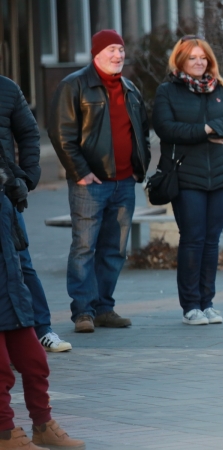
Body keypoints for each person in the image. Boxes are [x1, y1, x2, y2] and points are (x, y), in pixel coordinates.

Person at [48, 29, 151, 333]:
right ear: (96, 53)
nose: (118, 55)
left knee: (114, 249)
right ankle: (83, 311)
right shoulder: (74, 85)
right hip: (90, 185)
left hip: (124, 184)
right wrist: (80, 171)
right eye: (111, 50)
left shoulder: (130, 88)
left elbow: (142, 132)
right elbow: (61, 134)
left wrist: (138, 169)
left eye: (121, 50)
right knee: (84, 247)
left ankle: (104, 307)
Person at [152, 36, 223, 326]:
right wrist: (206, 129)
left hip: (220, 176)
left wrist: (208, 127)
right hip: (185, 176)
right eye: (192, 57)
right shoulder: (167, 91)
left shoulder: (222, 88)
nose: (199, 62)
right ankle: (191, 306)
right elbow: (166, 128)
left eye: (203, 57)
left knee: (211, 241)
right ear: (180, 60)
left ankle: (208, 302)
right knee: (193, 240)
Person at [0, 160, 84, 450]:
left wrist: (19, 181)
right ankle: (5, 433)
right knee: (1, 370)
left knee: (35, 361)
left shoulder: (4, 181)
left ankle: (43, 425)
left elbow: (16, 248)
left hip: (11, 291)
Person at [0, 75, 71, 352]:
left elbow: (29, 133)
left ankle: (42, 329)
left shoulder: (7, 88)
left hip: (4, 195)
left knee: (21, 263)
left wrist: (28, 178)